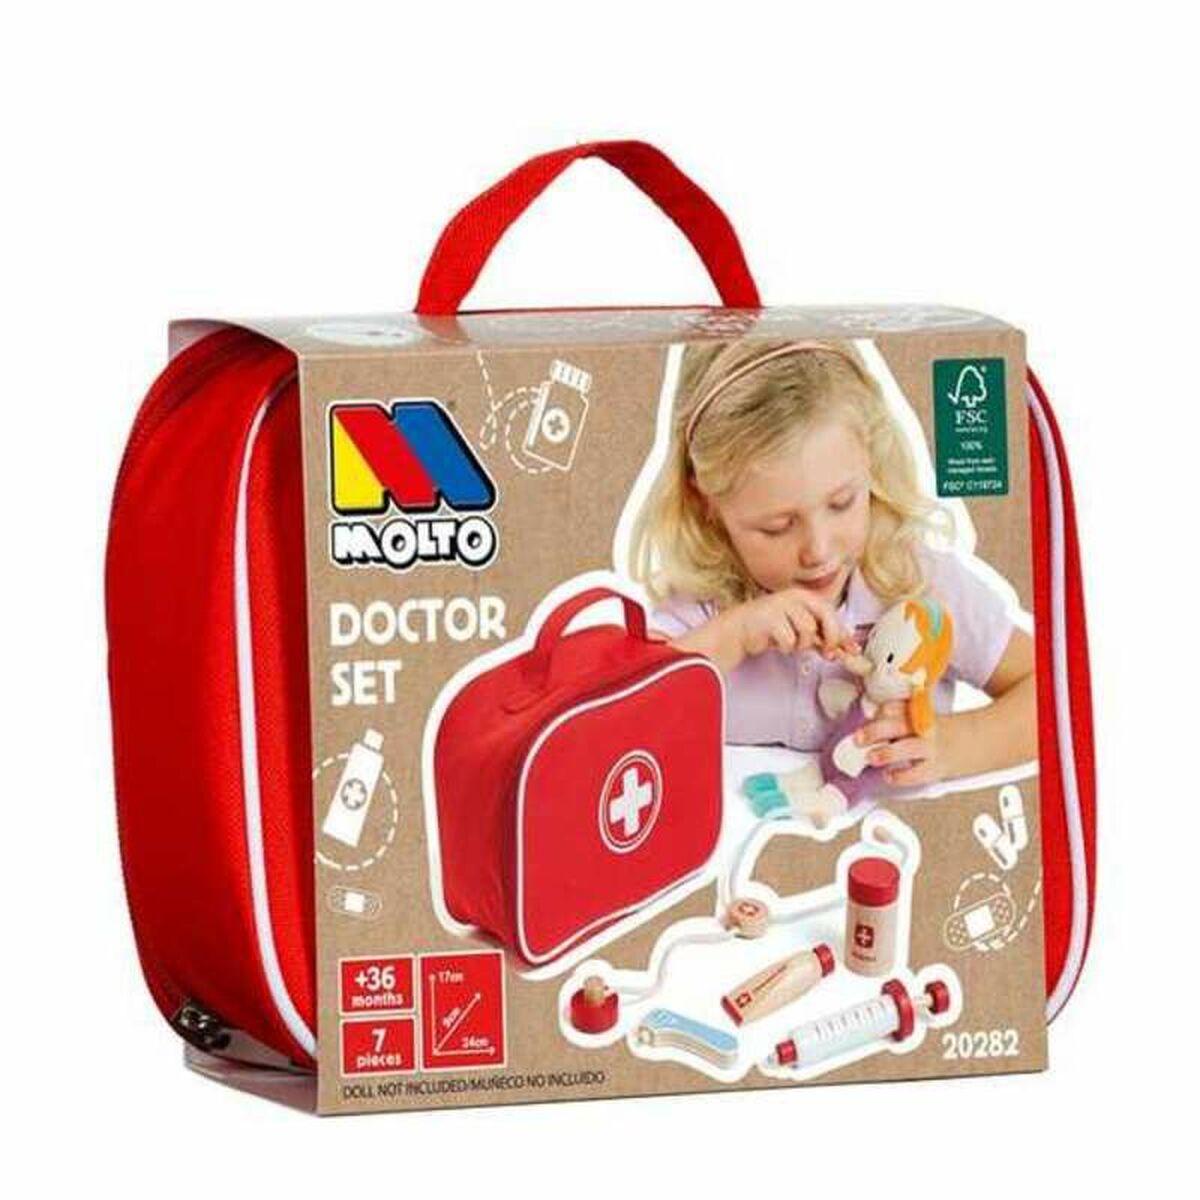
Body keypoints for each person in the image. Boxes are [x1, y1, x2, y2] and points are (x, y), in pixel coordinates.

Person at [629, 339, 1036, 790]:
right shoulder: (701, 606)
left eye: (842, 503)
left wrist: (956, 745)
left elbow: (1049, 691)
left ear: (870, 462)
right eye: (777, 527)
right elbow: (622, 720)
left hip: (893, 831)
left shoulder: (918, 583)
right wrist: (733, 635)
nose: (818, 551)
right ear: (705, 501)